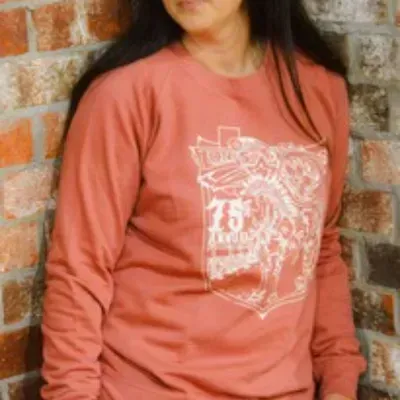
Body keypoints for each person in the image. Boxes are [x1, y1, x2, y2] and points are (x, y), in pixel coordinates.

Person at [40, 0, 367, 399]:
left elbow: (322, 250)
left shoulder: (318, 90)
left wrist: (339, 381)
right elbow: (79, 272)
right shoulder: (124, 95)